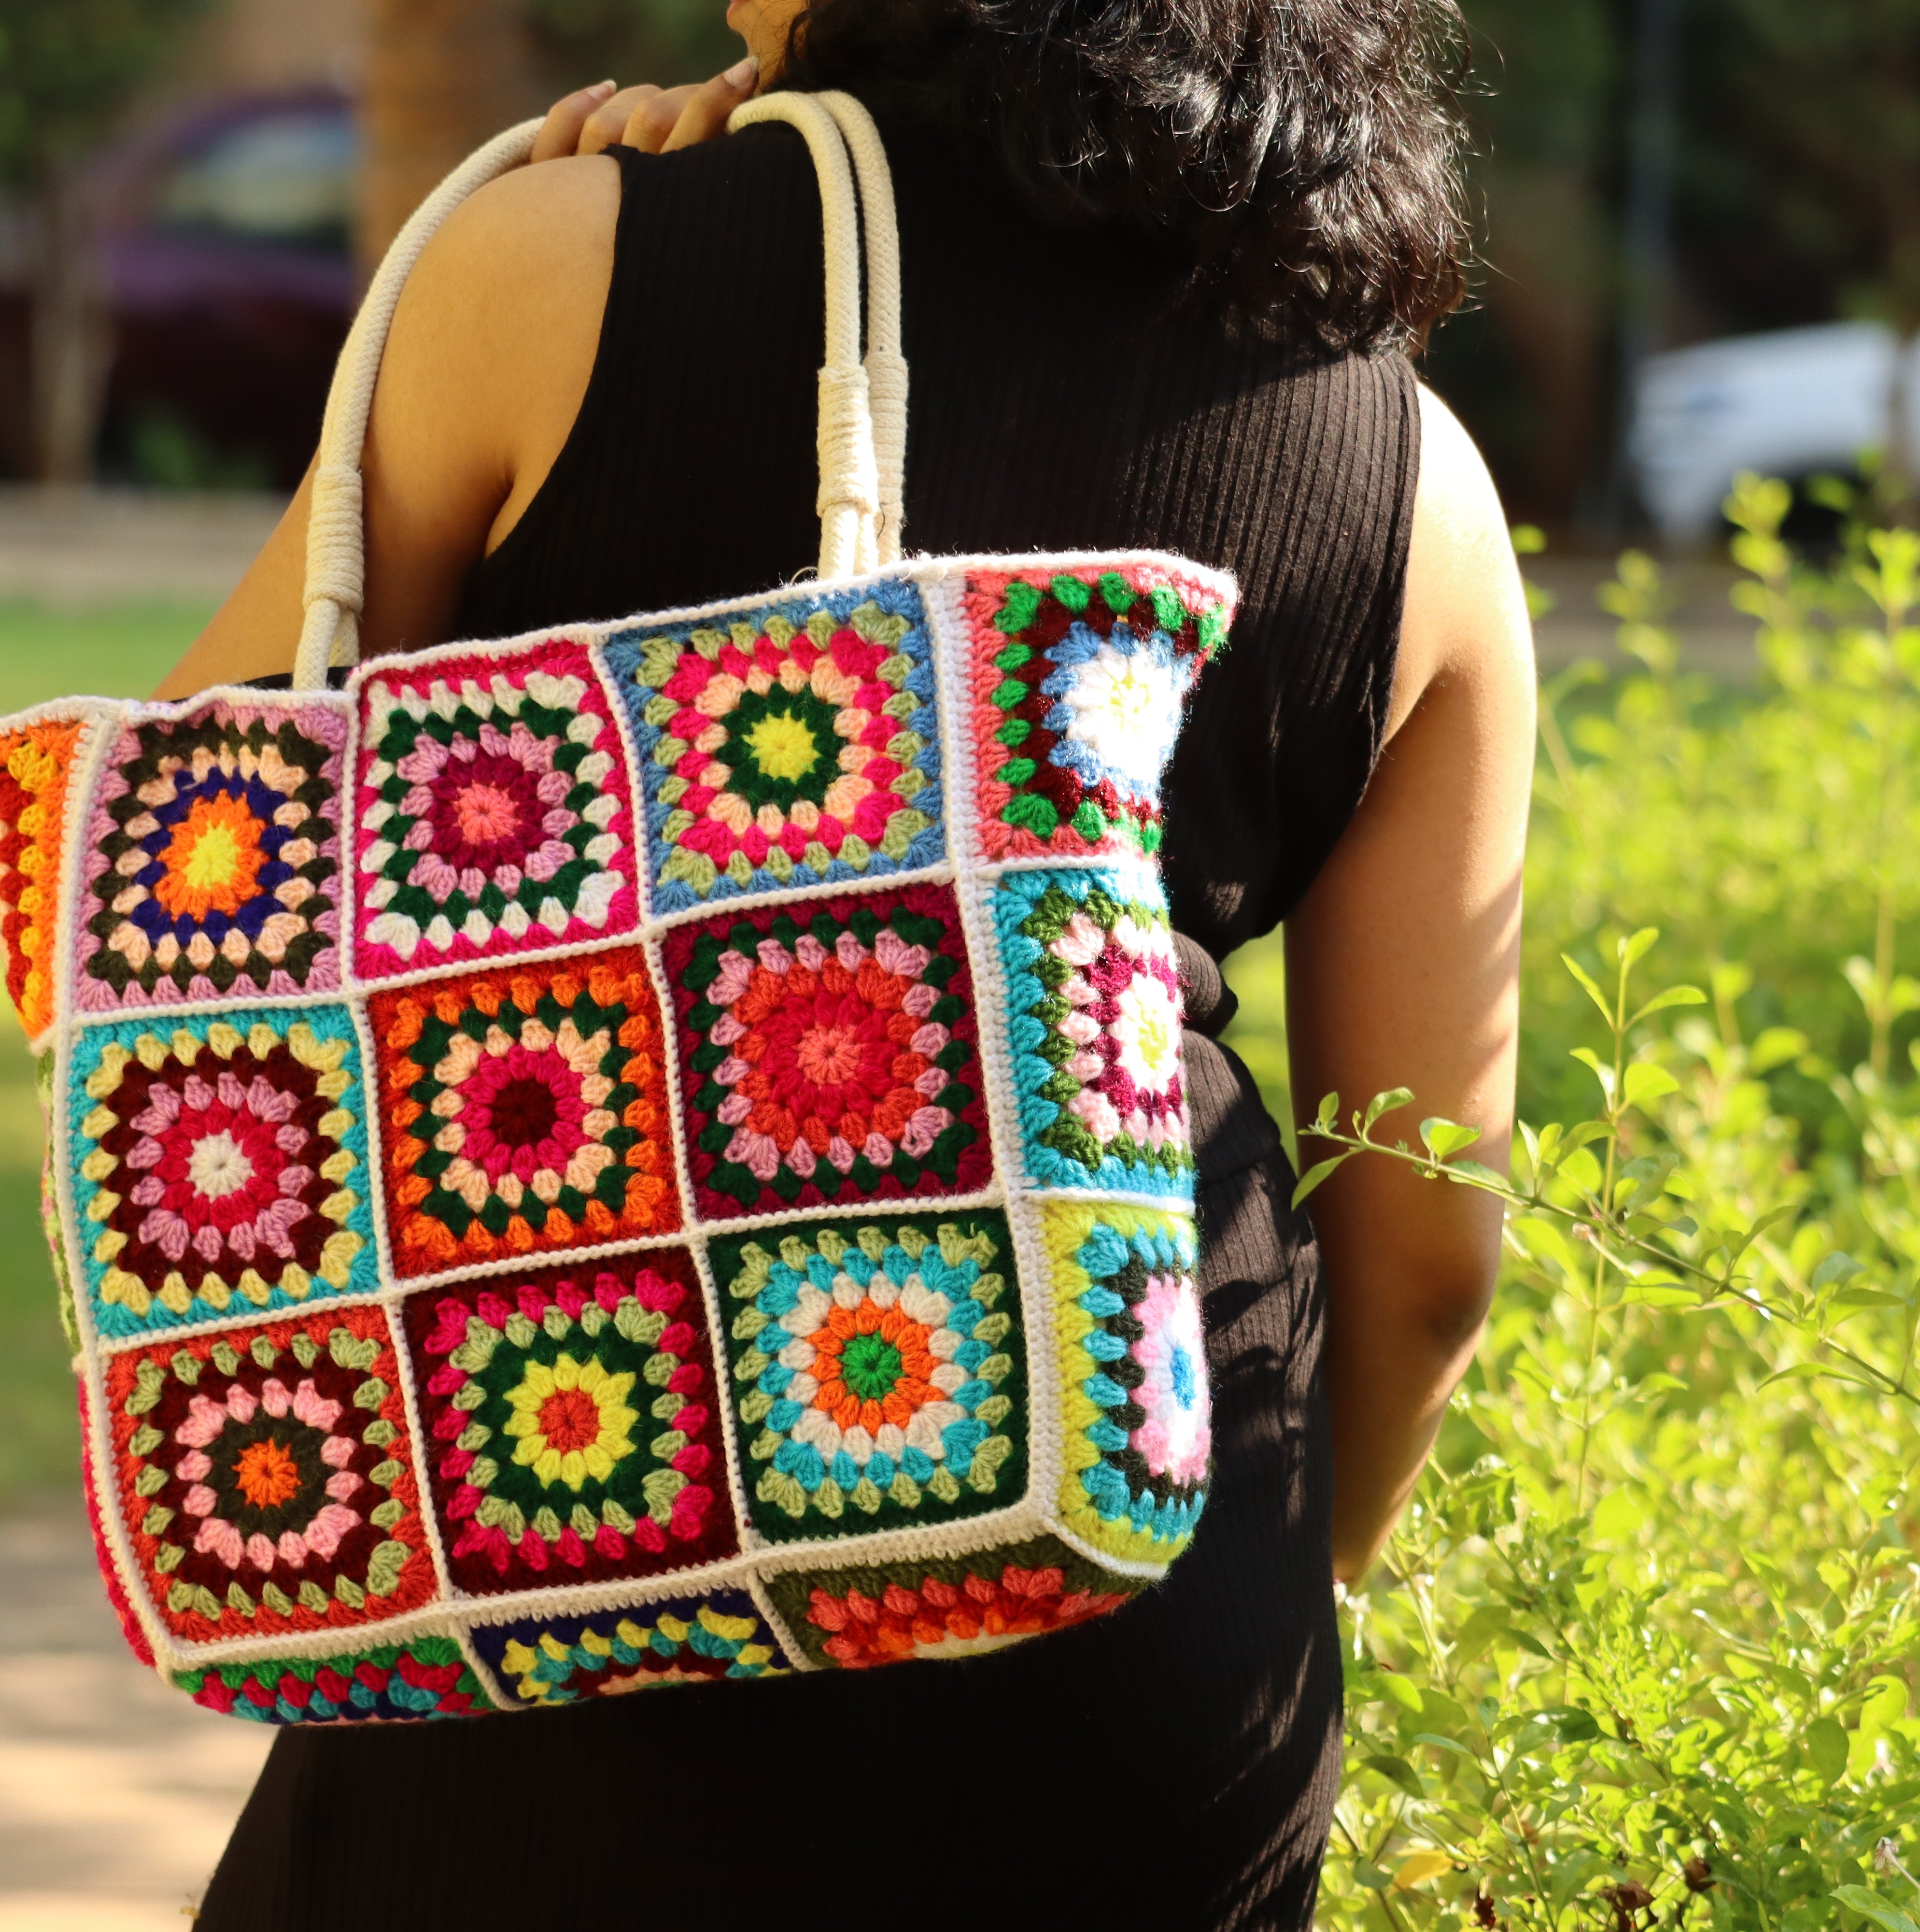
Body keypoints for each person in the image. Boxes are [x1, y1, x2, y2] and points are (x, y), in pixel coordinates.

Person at [174, 0, 1531, 1921]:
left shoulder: (559, 267)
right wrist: (1258, 1587)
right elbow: (1427, 1252)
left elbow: (178, 858)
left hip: (584, 1500)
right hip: (1149, 1618)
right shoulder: (1423, 475)